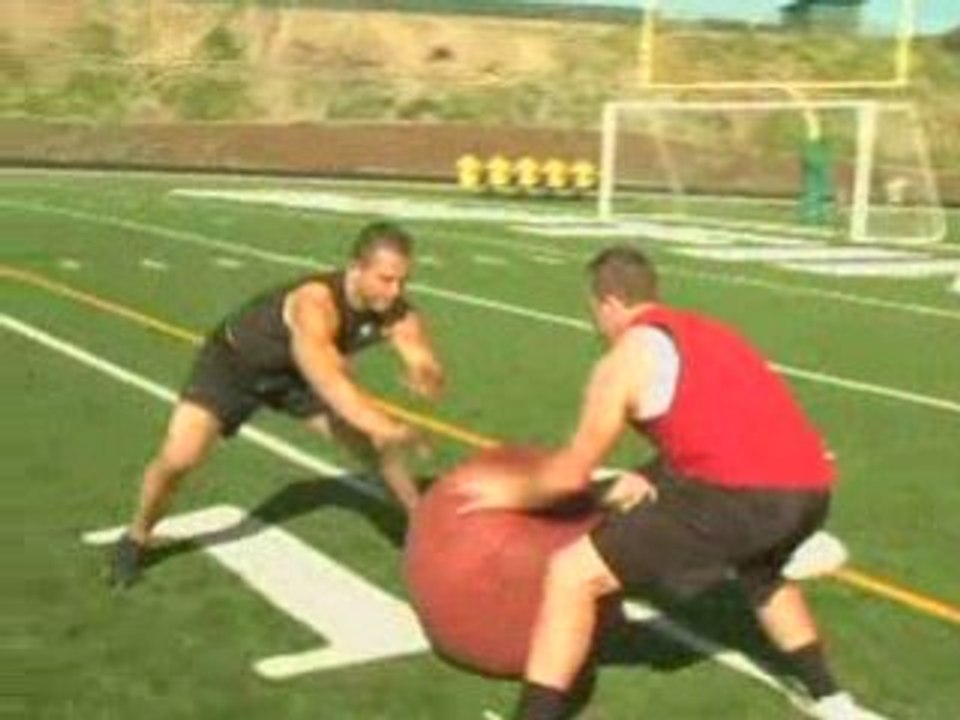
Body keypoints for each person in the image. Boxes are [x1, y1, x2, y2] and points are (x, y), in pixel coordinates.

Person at [460, 245, 884, 720]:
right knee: (760, 570)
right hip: (811, 489)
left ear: (609, 304)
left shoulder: (623, 359)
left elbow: (568, 473)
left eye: (594, 310)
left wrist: (507, 495)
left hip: (744, 498)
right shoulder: (712, 333)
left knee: (571, 574)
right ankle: (832, 699)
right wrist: (645, 475)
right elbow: (721, 426)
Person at [111, 221, 445, 588]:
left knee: (376, 446)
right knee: (180, 459)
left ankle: (421, 525)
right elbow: (332, 385)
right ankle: (136, 537)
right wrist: (393, 428)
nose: (395, 291)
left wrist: (424, 370)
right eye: (385, 279)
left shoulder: (394, 308)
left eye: (402, 281)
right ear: (355, 269)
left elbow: (418, 350)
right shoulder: (314, 304)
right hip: (233, 366)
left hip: (294, 377)